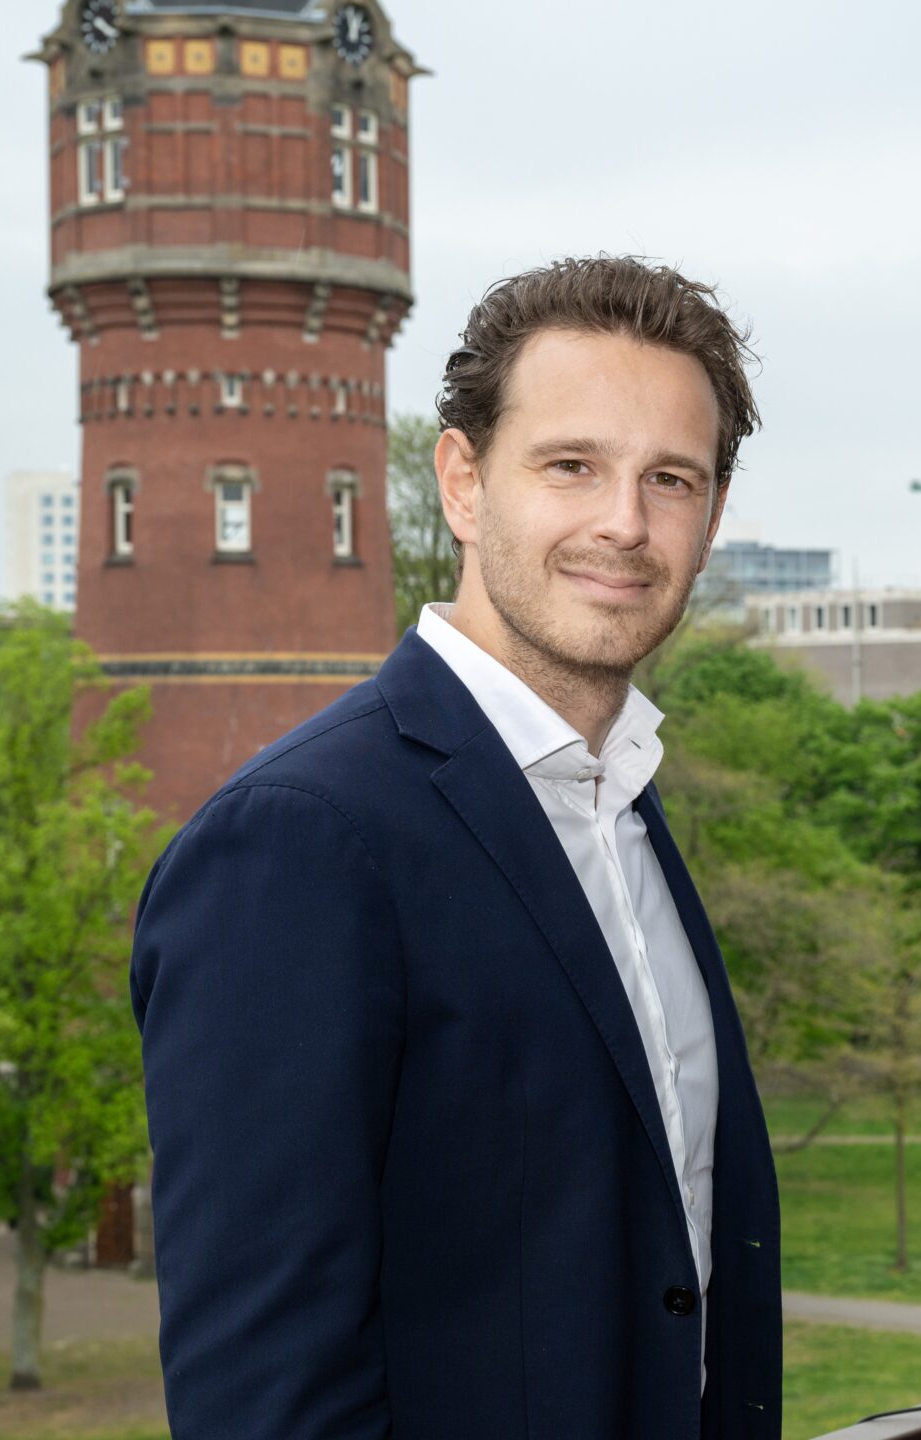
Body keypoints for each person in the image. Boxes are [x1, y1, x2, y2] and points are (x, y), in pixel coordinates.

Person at [131, 256, 779, 1439]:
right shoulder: (298, 846)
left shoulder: (619, 805)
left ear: (712, 516)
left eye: (669, 479)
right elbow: (262, 1395)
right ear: (464, 482)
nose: (624, 524)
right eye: (571, 465)